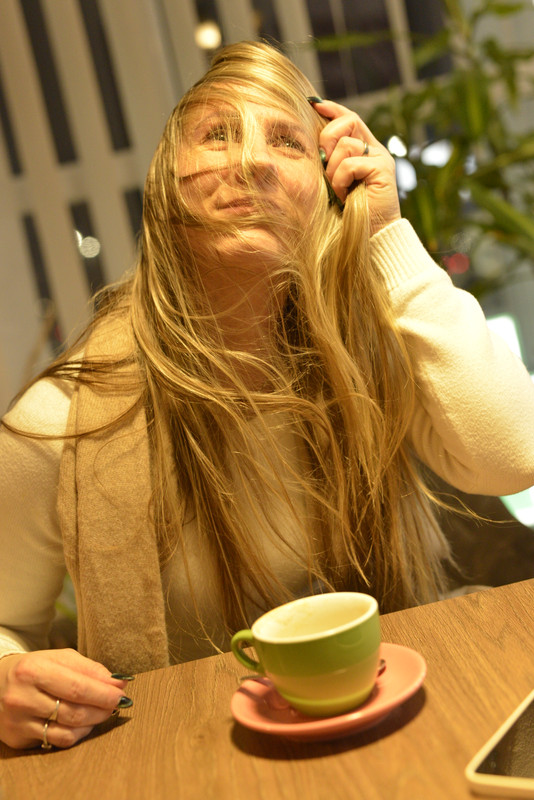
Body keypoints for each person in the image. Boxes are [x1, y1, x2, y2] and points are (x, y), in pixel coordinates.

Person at [1, 41, 534, 752]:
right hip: (186, 759)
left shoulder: (377, 360)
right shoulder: (61, 424)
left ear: (325, 193)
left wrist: (385, 232)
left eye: (286, 140)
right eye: (217, 134)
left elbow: (514, 455)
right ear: (165, 190)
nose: (251, 160)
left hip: (398, 733)